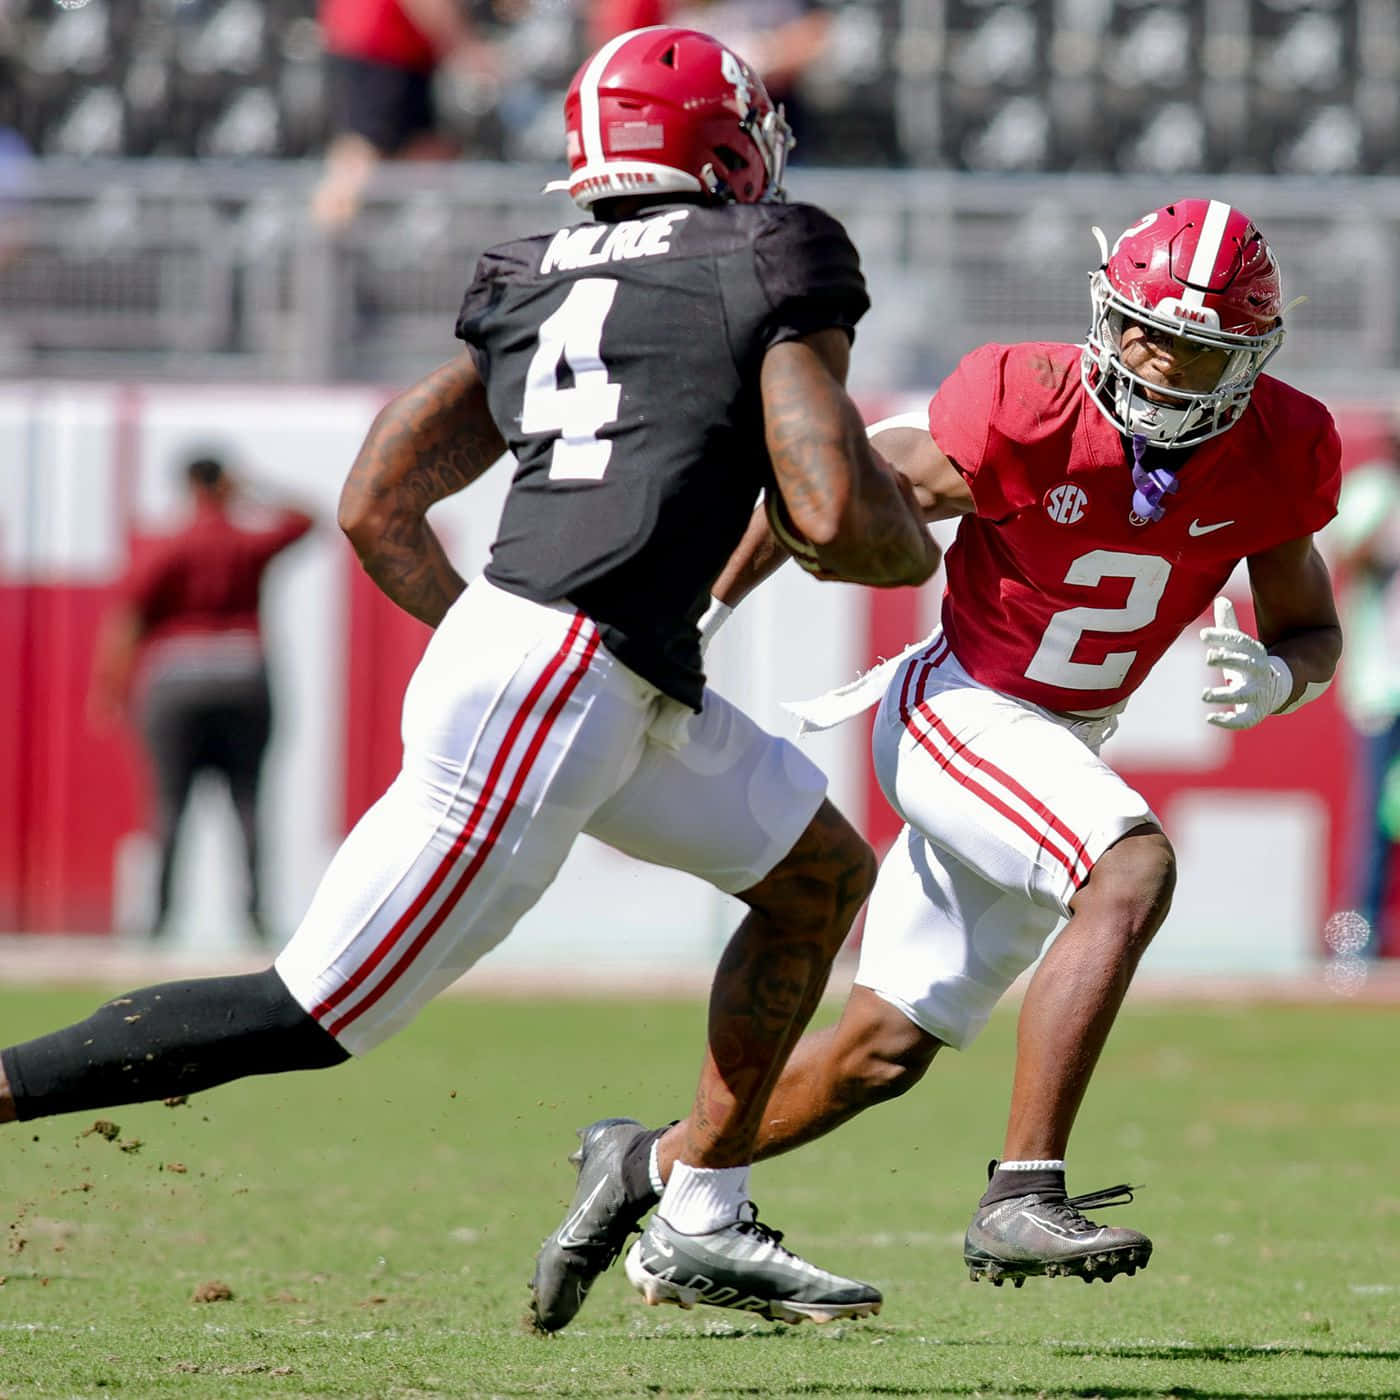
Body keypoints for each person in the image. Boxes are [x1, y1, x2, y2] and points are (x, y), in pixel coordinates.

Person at [4, 26, 939, 1334]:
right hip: (564, 679)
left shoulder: (533, 270)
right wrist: (934, 535)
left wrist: (487, 640)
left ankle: (698, 1218)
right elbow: (835, 516)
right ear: (722, 146)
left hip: (586, 669)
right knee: (311, 1012)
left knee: (818, 882)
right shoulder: (773, 249)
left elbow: (378, 505)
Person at [530, 197, 1344, 1325]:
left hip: (1061, 739)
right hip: (960, 708)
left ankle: (655, 1174)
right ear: (1106, 312)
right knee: (1129, 866)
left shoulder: (1279, 444)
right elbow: (830, 477)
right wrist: (703, 613)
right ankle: (1023, 1188)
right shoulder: (1028, 399)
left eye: (1194, 345)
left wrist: (1281, 674)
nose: (1156, 360)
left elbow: (1308, 625)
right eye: (1143, 328)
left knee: (878, 1050)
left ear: (1248, 355)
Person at [88, 456, 315, 945]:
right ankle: (256, 919)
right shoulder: (245, 541)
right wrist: (251, 487)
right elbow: (308, 519)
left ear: (188, 485)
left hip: (176, 681)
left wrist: (111, 688)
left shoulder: (171, 544)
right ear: (225, 482)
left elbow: (128, 616)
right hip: (243, 674)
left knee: (169, 805)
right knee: (249, 801)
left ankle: (159, 923)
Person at [310, 0, 500, 232]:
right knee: (357, 164)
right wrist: (463, 46)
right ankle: (327, 252)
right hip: (378, 49)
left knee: (426, 154)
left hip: (402, 53)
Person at [1326, 423, 1400, 957]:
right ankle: (1359, 939)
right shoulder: (1375, 490)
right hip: (1384, 683)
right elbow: (1347, 561)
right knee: (1375, 813)